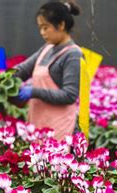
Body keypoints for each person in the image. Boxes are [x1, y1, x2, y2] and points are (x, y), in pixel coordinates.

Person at [13, 1, 83, 140]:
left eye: (46, 27)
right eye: (40, 28)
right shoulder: (47, 48)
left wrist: (33, 91)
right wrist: (3, 80)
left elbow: (69, 95)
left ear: (61, 25)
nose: (42, 33)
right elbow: (22, 70)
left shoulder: (73, 54)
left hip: (59, 129)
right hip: (38, 124)